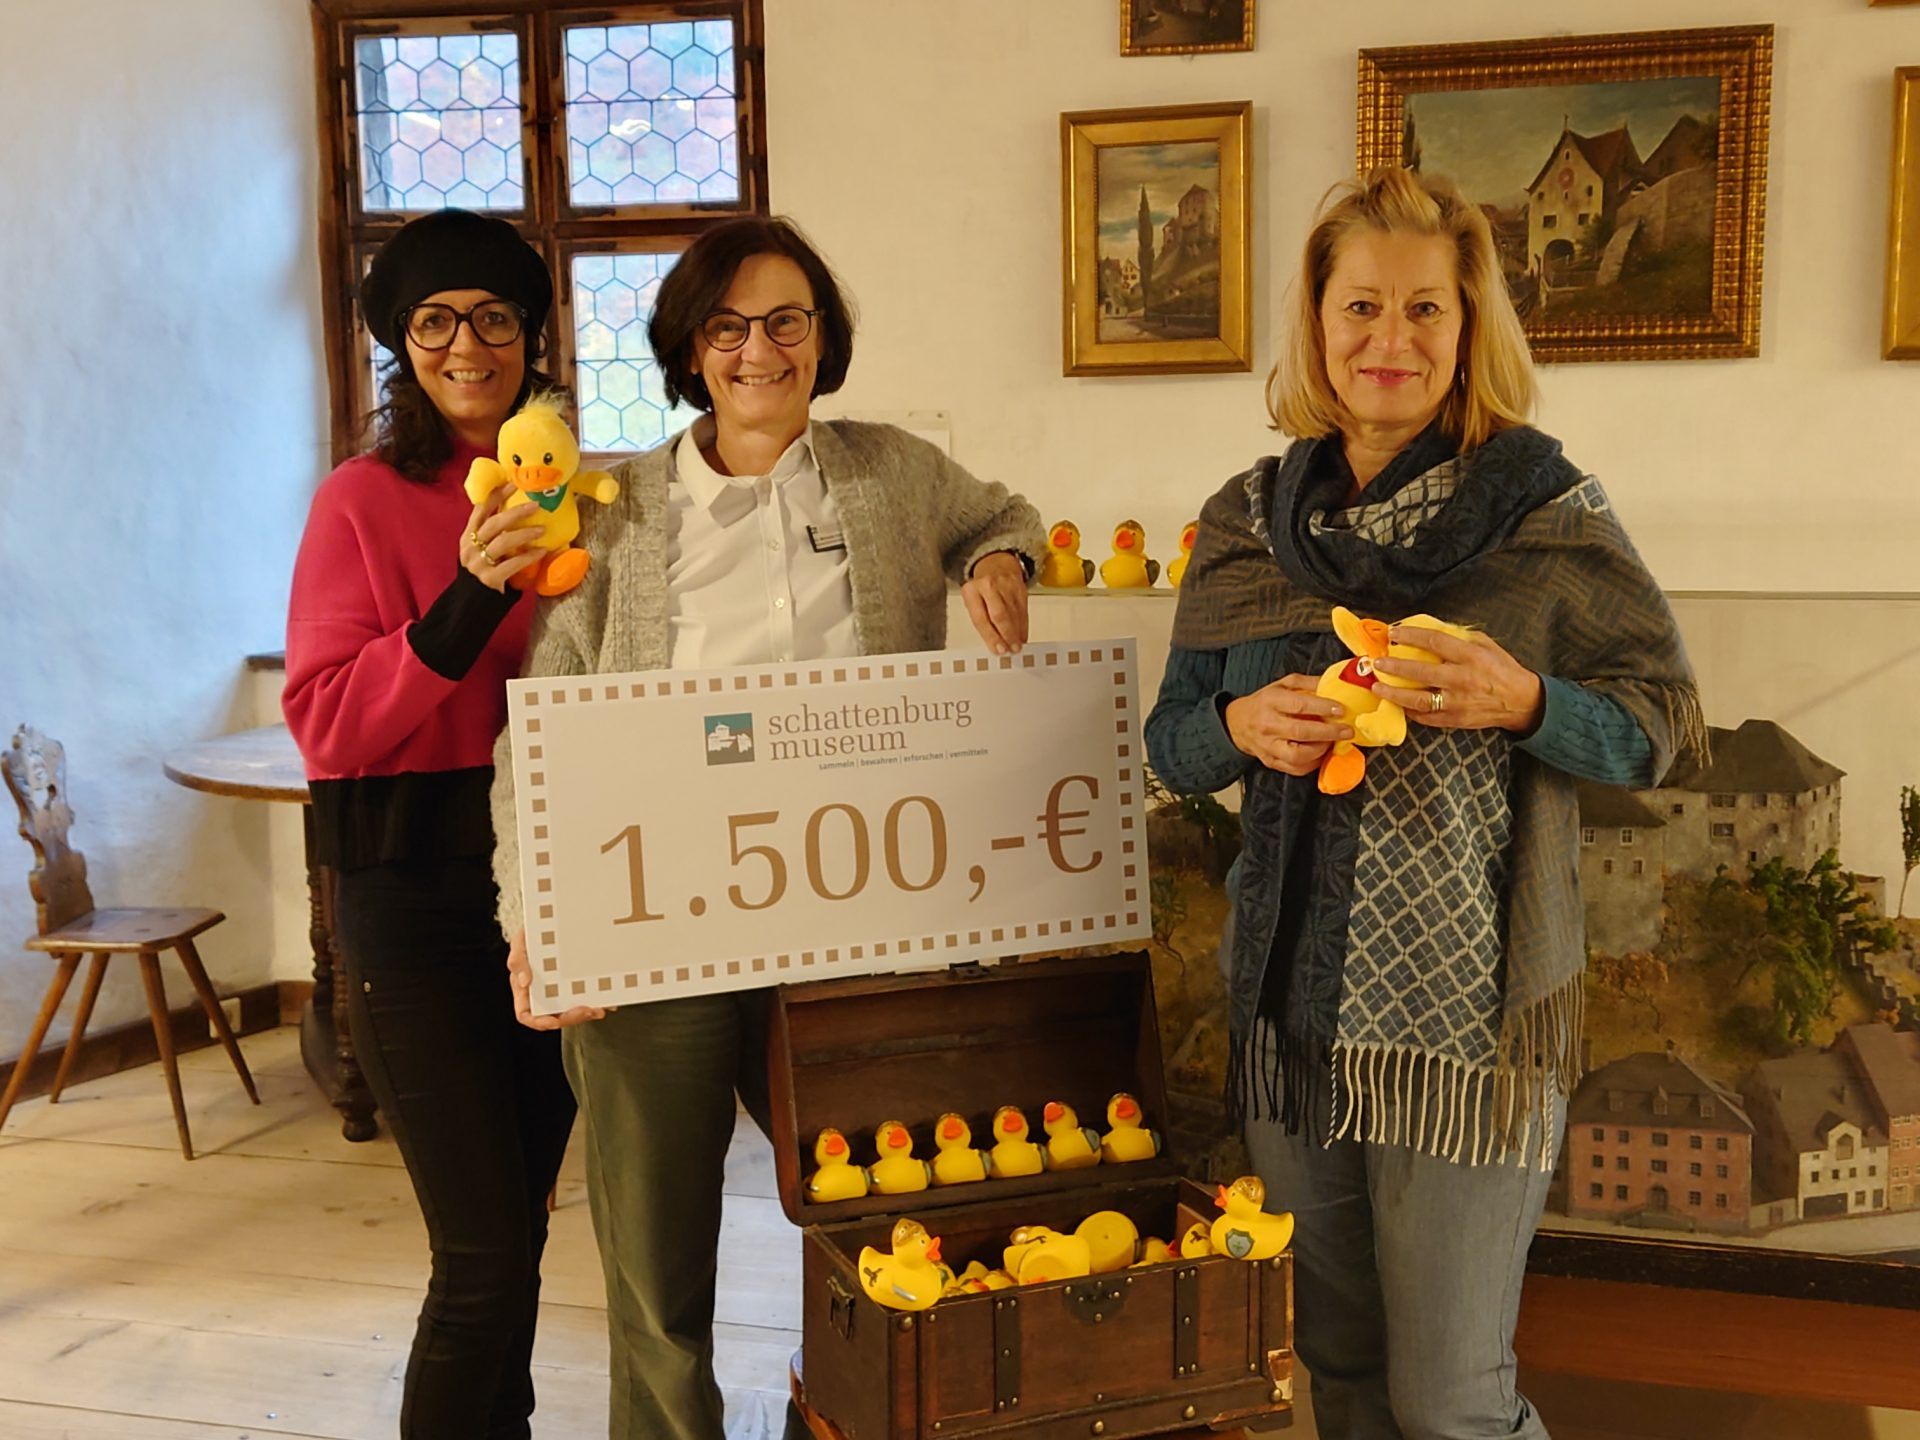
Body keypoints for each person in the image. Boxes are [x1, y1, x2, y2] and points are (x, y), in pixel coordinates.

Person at [1146, 168, 1704, 1439]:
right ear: (1316, 318)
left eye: (1424, 311)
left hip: (1473, 1037)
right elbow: (1170, 743)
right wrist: (1237, 726)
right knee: (1336, 1375)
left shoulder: (1548, 516)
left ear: (1469, 326)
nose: (1388, 341)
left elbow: (1664, 728)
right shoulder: (1245, 523)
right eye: (1360, 307)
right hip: (1291, 1016)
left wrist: (1524, 700)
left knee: (1452, 1403)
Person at [490, 214, 1045, 1440]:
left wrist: (998, 560)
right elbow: (538, 735)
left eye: (785, 321)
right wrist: (533, 914)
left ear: (822, 337)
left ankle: (843, 1424)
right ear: (691, 348)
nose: (758, 349)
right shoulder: (616, 508)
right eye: (728, 326)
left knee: (881, 1225)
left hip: (852, 921)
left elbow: (1002, 513)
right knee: (654, 1262)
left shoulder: (892, 471)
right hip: (652, 921)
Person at [284, 208, 577, 1440]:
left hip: (558, 898)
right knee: (480, 1260)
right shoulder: (359, 499)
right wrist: (471, 593)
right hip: (415, 900)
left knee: (517, 1248)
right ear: (405, 346)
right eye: (438, 321)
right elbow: (330, 725)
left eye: (496, 317)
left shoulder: (576, 493)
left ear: (530, 339)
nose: (470, 344)